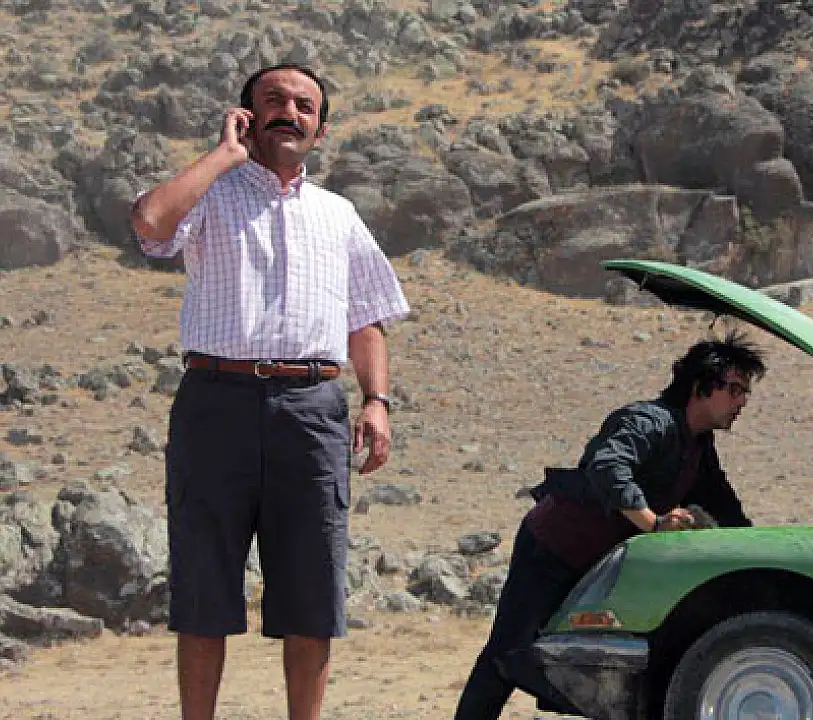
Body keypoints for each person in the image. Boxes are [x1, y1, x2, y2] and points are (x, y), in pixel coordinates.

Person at [130, 63, 410, 720]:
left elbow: (365, 319)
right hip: (215, 403)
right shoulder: (211, 194)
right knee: (203, 591)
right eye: (274, 100)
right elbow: (150, 224)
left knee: (313, 596)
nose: (290, 112)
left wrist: (376, 401)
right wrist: (224, 156)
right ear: (246, 116)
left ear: (320, 127)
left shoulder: (338, 215)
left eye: (305, 105)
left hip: (312, 412)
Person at [454, 329, 767, 719]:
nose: (742, 402)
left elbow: (724, 506)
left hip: (604, 563)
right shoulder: (648, 422)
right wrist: (654, 524)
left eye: (745, 393)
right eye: (734, 390)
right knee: (507, 654)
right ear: (700, 386)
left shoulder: (699, 447)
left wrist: (763, 554)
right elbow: (607, 466)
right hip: (552, 547)